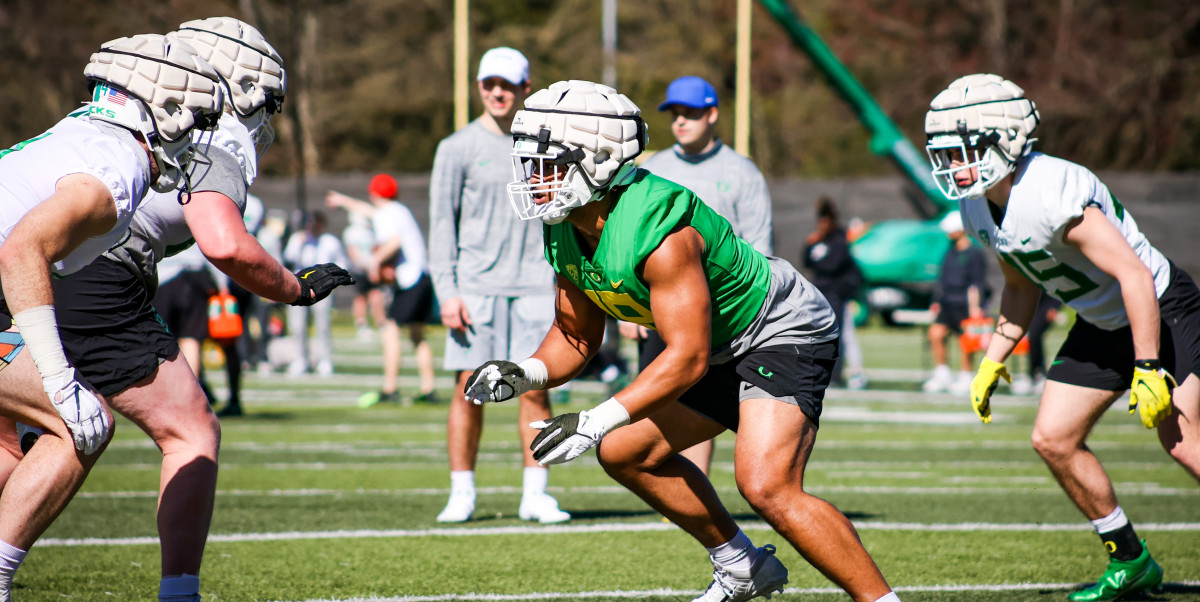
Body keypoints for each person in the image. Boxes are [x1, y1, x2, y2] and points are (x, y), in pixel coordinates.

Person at [468, 79, 900, 602]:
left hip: (777, 328)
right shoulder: (564, 222)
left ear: (601, 160)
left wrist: (592, 419)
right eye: (530, 163)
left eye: (550, 164)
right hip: (717, 344)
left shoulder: (657, 225)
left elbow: (688, 358)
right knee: (625, 451)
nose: (535, 178)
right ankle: (740, 564)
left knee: (766, 485)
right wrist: (526, 373)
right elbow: (575, 334)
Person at [7, 21, 352, 602]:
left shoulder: (103, 119)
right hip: (82, 272)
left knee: (16, 439)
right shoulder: (206, 133)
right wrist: (294, 287)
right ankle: (179, 593)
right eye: (264, 103)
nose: (263, 120)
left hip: (37, 271)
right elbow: (224, 243)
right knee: (186, 431)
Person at [926, 73, 1200, 600]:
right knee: (1052, 439)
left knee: (1184, 444)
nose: (955, 166)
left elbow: (1135, 277)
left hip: (1160, 311)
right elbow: (1018, 284)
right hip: (1101, 322)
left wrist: (1146, 367)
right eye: (948, 154)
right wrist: (992, 359)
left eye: (965, 151)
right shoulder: (976, 204)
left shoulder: (1051, 190)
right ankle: (1131, 559)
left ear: (1003, 141)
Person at [0, 33, 225, 601]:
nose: (194, 132)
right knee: (79, 422)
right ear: (162, 106)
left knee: (12, 438)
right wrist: (57, 376)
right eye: (191, 115)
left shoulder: (78, 132)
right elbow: (21, 251)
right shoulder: (115, 166)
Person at [427, 47, 568, 524]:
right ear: (480, 87)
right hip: (475, 291)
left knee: (535, 391)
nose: (497, 92)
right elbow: (442, 225)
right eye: (489, 83)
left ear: (526, 88)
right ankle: (462, 493)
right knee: (470, 389)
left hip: (534, 289)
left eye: (507, 84)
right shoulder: (455, 148)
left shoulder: (546, 147)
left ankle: (536, 494)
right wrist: (447, 291)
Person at [630, 75, 776, 475]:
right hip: (658, 310)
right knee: (654, 404)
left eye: (690, 113)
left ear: (712, 114)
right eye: (675, 113)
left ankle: (697, 491)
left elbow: (760, 248)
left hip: (723, 314)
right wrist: (628, 313)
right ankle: (664, 488)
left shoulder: (743, 172)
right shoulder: (651, 170)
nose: (680, 121)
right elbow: (629, 247)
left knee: (702, 406)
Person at [326, 173, 437, 405]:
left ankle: (391, 387)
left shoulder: (387, 214)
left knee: (390, 330)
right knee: (417, 335)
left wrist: (375, 261)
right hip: (422, 277)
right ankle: (428, 387)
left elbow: (393, 242)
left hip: (411, 281)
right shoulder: (397, 210)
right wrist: (344, 201)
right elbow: (369, 211)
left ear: (374, 193)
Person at [921, 209, 988, 396]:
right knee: (935, 334)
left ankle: (966, 376)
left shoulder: (974, 254)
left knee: (964, 341)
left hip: (965, 304)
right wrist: (936, 301)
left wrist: (976, 307)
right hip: (947, 303)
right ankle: (942, 373)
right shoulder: (949, 252)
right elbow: (942, 279)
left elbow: (977, 282)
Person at [803, 196, 867, 390]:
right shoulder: (817, 241)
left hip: (837, 295)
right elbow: (808, 261)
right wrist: (809, 245)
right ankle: (819, 373)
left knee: (841, 335)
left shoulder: (839, 240)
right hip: (820, 294)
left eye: (824, 221)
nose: (821, 225)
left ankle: (843, 375)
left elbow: (832, 265)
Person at [282, 210, 350, 376]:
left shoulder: (330, 242)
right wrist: (300, 242)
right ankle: (300, 359)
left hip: (322, 287)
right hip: (299, 285)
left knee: (322, 325)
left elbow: (342, 263)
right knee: (298, 326)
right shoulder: (297, 240)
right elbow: (288, 259)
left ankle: (325, 360)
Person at [342, 210, 387, 342]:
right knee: (361, 297)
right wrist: (369, 266)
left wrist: (375, 266)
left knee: (376, 295)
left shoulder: (372, 231)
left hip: (373, 268)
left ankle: (381, 323)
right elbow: (354, 254)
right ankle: (362, 325)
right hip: (359, 270)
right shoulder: (351, 232)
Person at [1010, 293, 1063, 395]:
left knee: (1034, 335)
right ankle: (1033, 375)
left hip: (1048, 303)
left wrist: (1054, 307)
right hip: (1033, 303)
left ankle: (1040, 374)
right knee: (1030, 337)